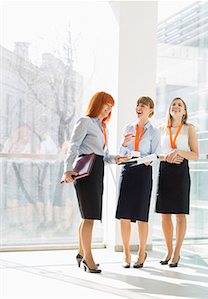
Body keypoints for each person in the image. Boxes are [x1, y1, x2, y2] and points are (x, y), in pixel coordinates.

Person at [61, 91, 129, 273]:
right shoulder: (85, 122)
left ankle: (81, 254)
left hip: (97, 171)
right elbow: (74, 146)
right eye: (106, 106)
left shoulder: (102, 127)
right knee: (89, 216)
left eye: (110, 108)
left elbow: (102, 155)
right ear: (97, 104)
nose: (107, 110)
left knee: (88, 215)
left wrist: (115, 159)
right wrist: (67, 169)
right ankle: (88, 258)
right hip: (85, 173)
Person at [115, 96, 161, 268]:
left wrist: (141, 158)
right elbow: (121, 152)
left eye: (143, 105)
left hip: (143, 173)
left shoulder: (154, 132)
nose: (139, 107)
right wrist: (123, 145)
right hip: (127, 171)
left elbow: (156, 154)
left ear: (151, 110)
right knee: (124, 215)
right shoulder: (128, 127)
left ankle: (142, 253)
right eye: (137, 105)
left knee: (142, 216)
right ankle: (126, 253)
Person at [155, 97, 199, 267]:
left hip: (181, 172)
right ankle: (168, 251)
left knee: (180, 214)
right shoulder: (162, 129)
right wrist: (167, 156)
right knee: (165, 215)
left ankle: (177, 253)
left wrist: (179, 151)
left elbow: (195, 155)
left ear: (185, 111)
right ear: (169, 109)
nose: (176, 107)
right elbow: (157, 153)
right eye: (174, 104)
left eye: (180, 105)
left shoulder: (189, 129)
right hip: (165, 170)